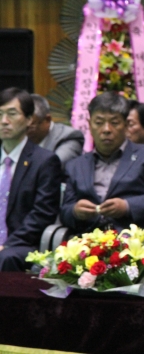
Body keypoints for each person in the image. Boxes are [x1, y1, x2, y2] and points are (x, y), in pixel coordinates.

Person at [60, 92, 144, 233]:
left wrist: (127, 206)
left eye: (114, 123)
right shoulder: (75, 166)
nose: (106, 129)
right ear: (89, 125)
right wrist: (75, 211)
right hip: (87, 240)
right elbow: (65, 212)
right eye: (99, 123)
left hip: (135, 238)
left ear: (126, 125)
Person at [0, 88, 62, 271]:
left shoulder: (44, 161)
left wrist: (7, 245)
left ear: (29, 119)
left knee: (6, 257)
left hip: (22, 244)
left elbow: (42, 214)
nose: (4, 121)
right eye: (0, 114)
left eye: (12, 114)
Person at [27, 94, 84, 168]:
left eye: (30, 127)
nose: (24, 132)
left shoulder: (69, 137)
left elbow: (52, 166)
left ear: (47, 120)